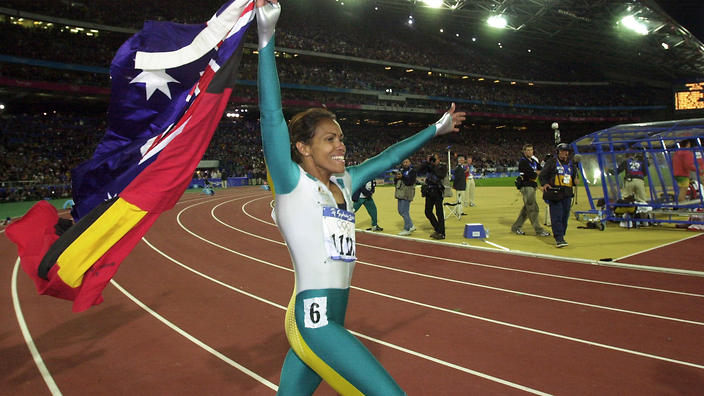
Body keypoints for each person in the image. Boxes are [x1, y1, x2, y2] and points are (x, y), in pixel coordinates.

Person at [255, 2, 466, 394]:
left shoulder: (346, 184)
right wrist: (266, 39)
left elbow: (389, 156)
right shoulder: (292, 185)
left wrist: (435, 129)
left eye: (341, 138)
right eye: (330, 139)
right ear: (301, 147)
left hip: (337, 311)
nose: (341, 145)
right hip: (314, 319)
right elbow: (271, 116)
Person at [539, 143, 579, 248]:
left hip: (567, 193)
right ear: (558, 152)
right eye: (562, 151)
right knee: (556, 216)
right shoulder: (552, 162)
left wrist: (576, 181)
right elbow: (542, 176)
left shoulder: (571, 164)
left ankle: (561, 234)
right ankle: (559, 238)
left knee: (564, 216)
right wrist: (545, 184)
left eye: (566, 151)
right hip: (555, 193)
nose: (565, 153)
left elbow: (573, 179)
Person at [511, 144, 551, 237]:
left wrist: (537, 172)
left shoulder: (533, 161)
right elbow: (532, 175)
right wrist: (536, 172)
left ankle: (516, 227)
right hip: (526, 186)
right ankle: (539, 230)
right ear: (524, 151)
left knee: (527, 209)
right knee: (533, 208)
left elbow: (541, 171)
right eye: (527, 150)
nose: (529, 152)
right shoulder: (523, 162)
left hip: (532, 186)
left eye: (531, 150)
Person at [417, 153, 448, 239]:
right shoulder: (429, 166)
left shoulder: (442, 166)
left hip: (437, 191)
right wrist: (426, 162)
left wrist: (433, 165)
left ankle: (442, 233)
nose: (434, 161)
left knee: (439, 213)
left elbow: (440, 175)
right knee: (427, 212)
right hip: (429, 191)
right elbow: (418, 169)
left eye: (435, 159)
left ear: (439, 159)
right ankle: (438, 228)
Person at [395, 158, 417, 235]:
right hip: (400, 193)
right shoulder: (401, 171)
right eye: (403, 162)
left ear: (410, 162)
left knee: (404, 211)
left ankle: (407, 229)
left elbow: (410, 182)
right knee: (400, 211)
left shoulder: (412, 171)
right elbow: (396, 182)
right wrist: (396, 178)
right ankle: (411, 225)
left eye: (406, 162)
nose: (405, 163)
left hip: (407, 193)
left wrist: (402, 177)